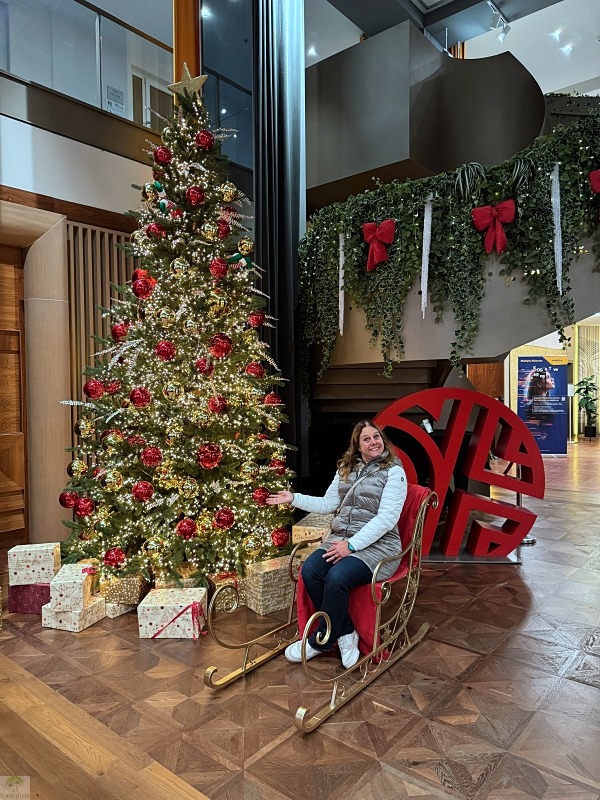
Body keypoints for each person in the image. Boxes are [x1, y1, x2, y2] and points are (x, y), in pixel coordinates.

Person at [267, 420, 407, 669]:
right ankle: (344, 631)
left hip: (379, 547)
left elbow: (387, 519)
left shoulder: (394, 471)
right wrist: (293, 498)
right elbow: (328, 504)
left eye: (377, 437)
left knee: (337, 577)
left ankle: (320, 640)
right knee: (310, 570)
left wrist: (351, 546)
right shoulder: (345, 469)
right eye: (367, 438)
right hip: (341, 539)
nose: (374, 442)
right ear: (357, 445)